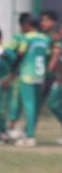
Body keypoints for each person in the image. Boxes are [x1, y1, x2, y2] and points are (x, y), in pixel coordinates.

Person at [9, 17, 50, 147]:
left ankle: (30, 136)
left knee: (29, 105)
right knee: (34, 105)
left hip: (27, 75)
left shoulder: (27, 38)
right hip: (40, 75)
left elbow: (20, 54)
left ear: (28, 25)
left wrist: (12, 71)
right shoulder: (45, 39)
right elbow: (48, 56)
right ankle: (28, 133)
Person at [39, 10, 62, 143]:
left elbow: (52, 65)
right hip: (58, 80)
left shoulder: (58, 45)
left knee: (53, 103)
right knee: (54, 103)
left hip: (59, 81)